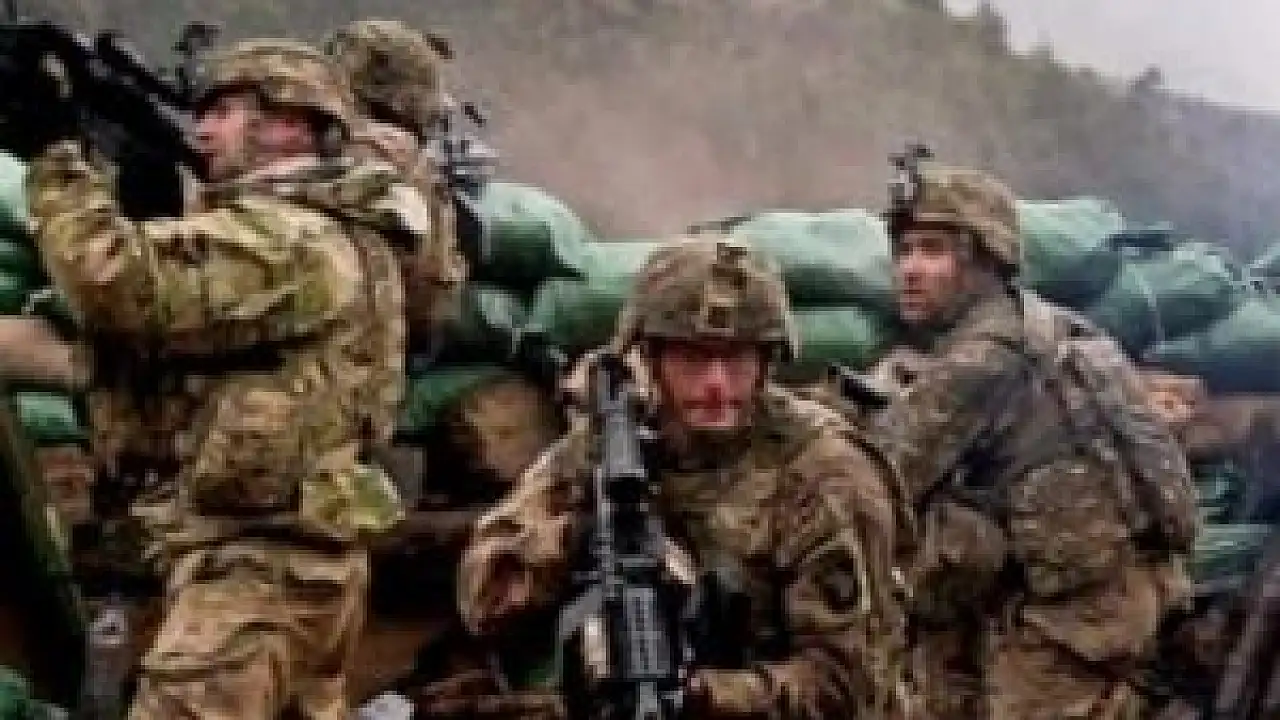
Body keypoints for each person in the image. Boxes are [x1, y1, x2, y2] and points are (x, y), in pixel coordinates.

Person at [25, 38, 426, 718]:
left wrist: (56, 161)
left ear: (290, 124)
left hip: (252, 580)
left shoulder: (288, 238)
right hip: (298, 568)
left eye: (226, 111)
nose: (201, 128)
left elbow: (115, 285)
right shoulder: (338, 227)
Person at [457, 237, 914, 718]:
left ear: (766, 362)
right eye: (692, 358)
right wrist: (574, 540)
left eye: (736, 358)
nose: (716, 383)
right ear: (652, 360)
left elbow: (849, 685)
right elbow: (481, 597)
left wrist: (701, 696)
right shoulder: (607, 448)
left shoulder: (826, 471)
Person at [872, 157, 1199, 718]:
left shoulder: (983, 358)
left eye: (933, 250)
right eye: (903, 251)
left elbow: (879, 481)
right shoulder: (1051, 325)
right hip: (1130, 596)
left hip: (1073, 625)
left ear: (984, 260)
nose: (910, 269)